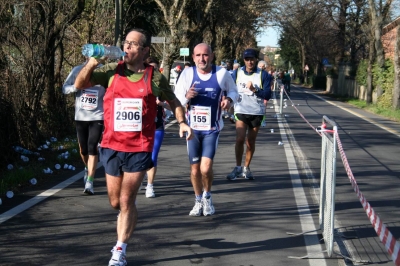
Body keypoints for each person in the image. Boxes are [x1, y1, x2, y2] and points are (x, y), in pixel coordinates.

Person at [74, 28, 193, 266]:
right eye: (126, 43)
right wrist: (91, 63)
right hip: (111, 145)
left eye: (133, 44)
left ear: (145, 50)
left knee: (126, 200)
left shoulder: (154, 77)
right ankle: (127, 213)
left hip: (139, 147)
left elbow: (174, 101)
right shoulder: (111, 72)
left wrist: (181, 122)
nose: (127, 47)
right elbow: (79, 84)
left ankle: (120, 249)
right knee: (115, 202)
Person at [174, 43, 238, 217]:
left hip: (212, 129)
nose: (202, 59)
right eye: (198, 55)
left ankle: (207, 196)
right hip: (192, 130)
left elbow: (234, 91)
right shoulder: (187, 74)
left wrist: (229, 101)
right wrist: (186, 97)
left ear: (212, 55)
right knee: (195, 170)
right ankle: (198, 199)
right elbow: (176, 99)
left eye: (205, 55)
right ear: (193, 57)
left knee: (205, 167)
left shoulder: (222, 73)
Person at [226, 48, 272, 180]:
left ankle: (246, 168)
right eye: (247, 59)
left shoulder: (263, 75)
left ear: (256, 59)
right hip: (241, 110)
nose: (249, 62)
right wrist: (228, 104)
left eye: (252, 59)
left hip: (256, 112)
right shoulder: (237, 73)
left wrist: (255, 89)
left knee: (250, 142)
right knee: (240, 138)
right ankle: (237, 167)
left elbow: (267, 95)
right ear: (243, 60)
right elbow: (229, 89)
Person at [62, 58, 105, 195]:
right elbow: (64, 88)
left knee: (93, 146)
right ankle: (87, 168)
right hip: (81, 116)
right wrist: (76, 87)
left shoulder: (105, 71)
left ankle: (90, 182)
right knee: (83, 149)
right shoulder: (77, 70)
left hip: (98, 115)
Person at [143, 56, 171, 198]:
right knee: (140, 155)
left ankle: (150, 185)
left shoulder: (161, 84)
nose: (153, 71)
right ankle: (139, 176)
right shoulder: (139, 83)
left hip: (157, 124)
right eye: (150, 68)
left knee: (153, 156)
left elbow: (172, 104)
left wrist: (162, 104)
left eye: (155, 68)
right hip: (141, 126)